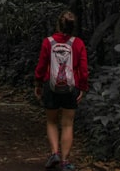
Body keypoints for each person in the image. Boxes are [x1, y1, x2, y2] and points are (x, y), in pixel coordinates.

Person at [33, 10, 89, 171]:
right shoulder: (78, 43)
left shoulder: (48, 42)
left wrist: (38, 84)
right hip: (71, 88)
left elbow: (42, 66)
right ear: (73, 27)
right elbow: (83, 70)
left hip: (50, 87)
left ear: (58, 24)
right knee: (67, 124)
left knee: (51, 121)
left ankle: (54, 153)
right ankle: (64, 162)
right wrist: (82, 88)